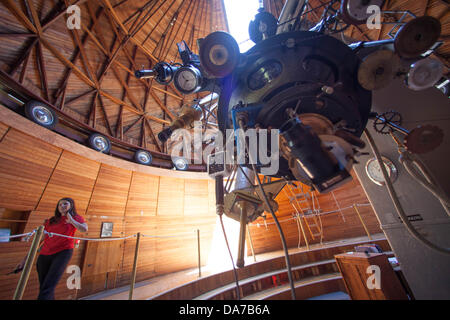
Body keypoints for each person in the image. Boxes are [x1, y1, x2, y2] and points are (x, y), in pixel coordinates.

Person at [17, 197, 88, 300]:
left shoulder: (76, 218)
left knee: (48, 287)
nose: (62, 206)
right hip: (44, 255)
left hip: (63, 252)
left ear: (71, 205)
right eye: (60, 204)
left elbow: (84, 229)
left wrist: (71, 220)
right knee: (44, 287)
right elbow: (40, 240)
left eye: (65, 204)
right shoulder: (51, 220)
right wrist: (25, 259)